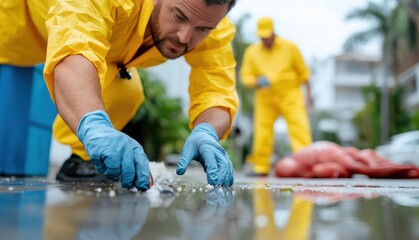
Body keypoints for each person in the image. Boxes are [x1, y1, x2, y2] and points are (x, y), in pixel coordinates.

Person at [0, 0, 238, 190]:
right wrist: (95, 126)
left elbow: (217, 90)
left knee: (127, 92)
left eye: (202, 29)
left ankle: (81, 161)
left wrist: (207, 132)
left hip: (89, 49)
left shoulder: (208, 19)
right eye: (178, 16)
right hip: (14, 24)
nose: (185, 37)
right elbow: (75, 49)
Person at [240, 17, 313, 176]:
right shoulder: (252, 52)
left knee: (299, 129)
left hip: (290, 95)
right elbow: (245, 76)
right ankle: (261, 166)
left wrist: (309, 95)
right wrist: (256, 81)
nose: (265, 39)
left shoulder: (290, 47)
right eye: (262, 37)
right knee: (262, 133)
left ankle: (306, 164)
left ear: (274, 32)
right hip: (265, 98)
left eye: (267, 35)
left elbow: (304, 73)